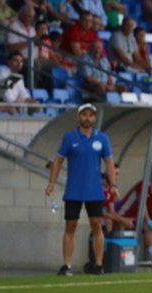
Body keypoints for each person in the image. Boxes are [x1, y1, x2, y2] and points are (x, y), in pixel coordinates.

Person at [45, 103, 116, 276]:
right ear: (78, 117)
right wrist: (51, 183)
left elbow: (109, 162)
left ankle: (98, 264)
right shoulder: (69, 138)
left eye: (91, 115)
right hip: (74, 190)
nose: (87, 118)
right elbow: (58, 160)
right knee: (71, 225)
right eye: (84, 114)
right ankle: (67, 265)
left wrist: (113, 185)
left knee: (96, 225)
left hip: (94, 190)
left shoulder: (102, 138)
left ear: (94, 118)